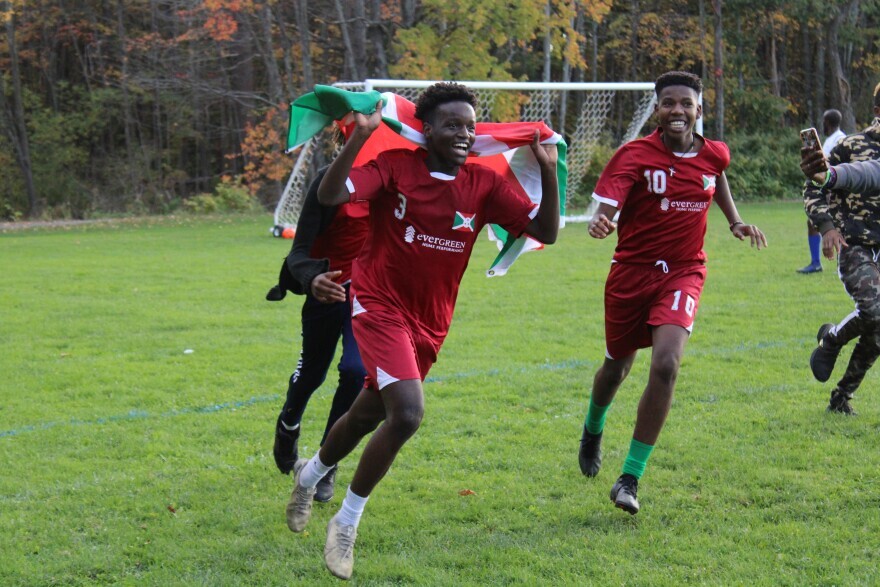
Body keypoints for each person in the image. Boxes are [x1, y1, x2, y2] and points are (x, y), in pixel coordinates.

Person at [285, 82, 559, 580]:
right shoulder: (395, 167)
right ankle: (346, 523)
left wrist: (545, 167)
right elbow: (330, 193)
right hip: (377, 303)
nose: (463, 133)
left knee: (368, 412)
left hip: (431, 322)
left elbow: (545, 233)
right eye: (452, 124)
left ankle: (311, 472)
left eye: (470, 126)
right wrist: (357, 139)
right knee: (407, 414)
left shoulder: (486, 185)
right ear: (426, 130)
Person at [576, 71, 767, 516]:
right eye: (668, 103)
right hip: (630, 274)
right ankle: (593, 427)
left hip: (683, 272)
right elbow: (607, 207)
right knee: (616, 368)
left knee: (666, 364)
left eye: (686, 103)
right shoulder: (633, 155)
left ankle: (629, 478)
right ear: (657, 110)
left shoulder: (715, 153)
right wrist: (601, 221)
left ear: (699, 109)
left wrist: (734, 220)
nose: (677, 110)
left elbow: (715, 175)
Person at [266, 163, 368, 502]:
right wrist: (312, 279)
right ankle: (288, 424)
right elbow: (298, 252)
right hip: (327, 290)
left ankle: (327, 463)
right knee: (311, 375)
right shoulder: (329, 181)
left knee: (356, 371)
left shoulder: (398, 177)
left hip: (370, 297)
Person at [803, 83, 880, 415]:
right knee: (876, 310)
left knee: (878, 332)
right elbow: (817, 184)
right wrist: (827, 227)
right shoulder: (852, 145)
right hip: (855, 244)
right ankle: (832, 338)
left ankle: (841, 396)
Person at [798, 109, 846, 274]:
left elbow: (836, 167)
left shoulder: (840, 140)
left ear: (827, 123)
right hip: (824, 187)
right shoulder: (831, 139)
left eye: (824, 122)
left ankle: (824, 262)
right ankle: (816, 262)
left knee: (827, 224)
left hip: (831, 190)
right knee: (813, 222)